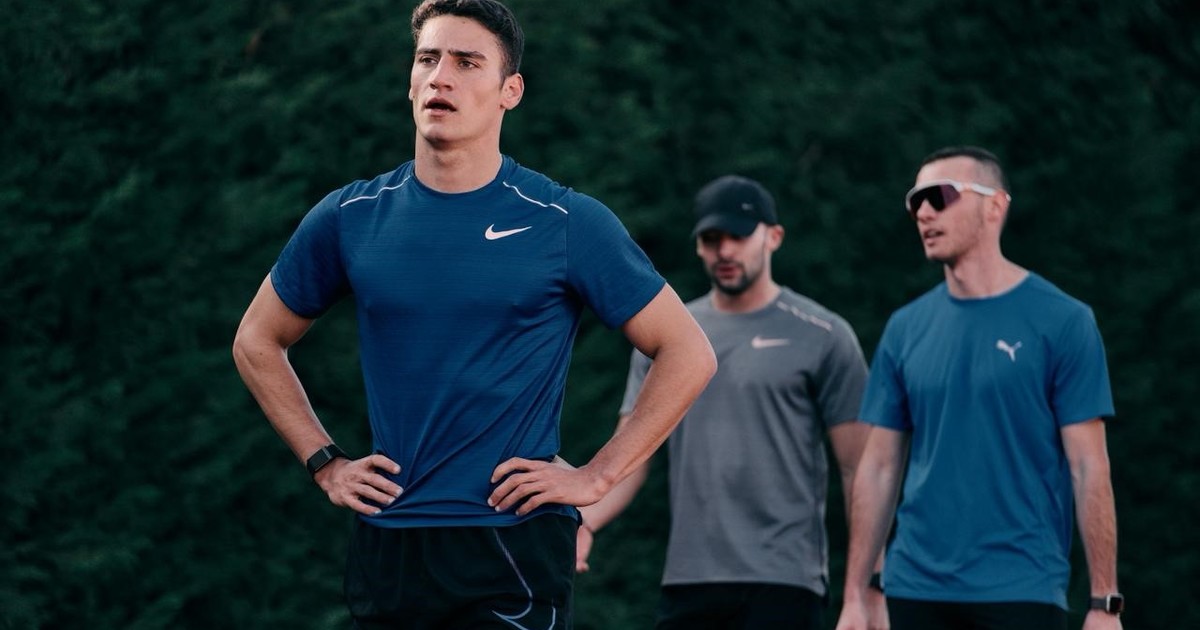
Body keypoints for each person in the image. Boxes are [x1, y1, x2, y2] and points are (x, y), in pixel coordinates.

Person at [231, 1, 716, 627]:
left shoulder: (565, 221)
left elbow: (688, 352)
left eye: (466, 63)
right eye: (428, 59)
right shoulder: (350, 218)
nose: (441, 77)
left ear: (510, 90)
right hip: (390, 542)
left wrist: (599, 477)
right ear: (410, 81)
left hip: (512, 542)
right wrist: (326, 462)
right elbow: (257, 340)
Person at [575, 175, 887, 629]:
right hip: (689, 580)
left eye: (737, 236)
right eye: (711, 239)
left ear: (773, 236)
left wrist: (867, 589)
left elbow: (861, 470)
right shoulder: (670, 339)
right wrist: (583, 520)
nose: (724, 251)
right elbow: (631, 456)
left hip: (785, 581)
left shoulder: (823, 335)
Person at [835, 146, 1123, 630]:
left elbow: (1088, 465)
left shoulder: (1064, 321)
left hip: (1022, 588)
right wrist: (856, 597)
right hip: (915, 589)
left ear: (995, 206)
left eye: (940, 196)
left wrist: (1104, 603)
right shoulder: (905, 328)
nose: (923, 212)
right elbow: (879, 467)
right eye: (915, 201)